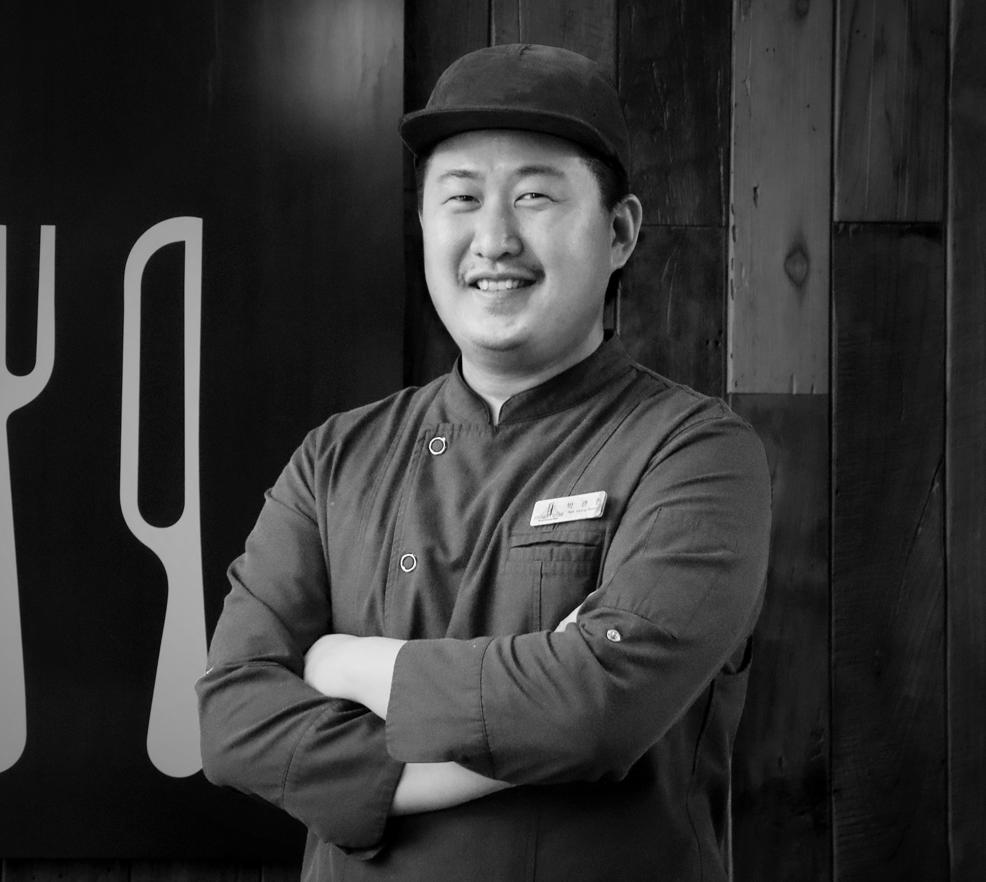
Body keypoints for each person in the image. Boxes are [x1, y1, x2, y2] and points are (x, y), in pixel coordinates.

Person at [197, 43, 771, 881]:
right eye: (461, 197)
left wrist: (352, 664)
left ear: (619, 232)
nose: (494, 239)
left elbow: (596, 710)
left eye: (535, 195)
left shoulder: (694, 453)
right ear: (425, 223)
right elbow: (232, 719)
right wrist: (520, 723)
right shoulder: (335, 458)